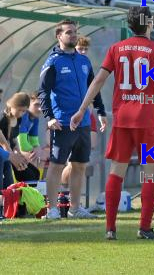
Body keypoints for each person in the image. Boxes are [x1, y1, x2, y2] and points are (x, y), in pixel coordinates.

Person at [70, 7, 154, 240]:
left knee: (116, 172)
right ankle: (145, 227)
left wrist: (82, 109)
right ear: (149, 23)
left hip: (123, 119)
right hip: (148, 120)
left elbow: (99, 80)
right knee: (150, 173)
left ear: (129, 25)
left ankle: (110, 228)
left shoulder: (116, 48)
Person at [38, 20, 107, 220]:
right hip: (62, 122)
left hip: (84, 123)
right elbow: (43, 92)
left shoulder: (84, 61)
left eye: (75, 32)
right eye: (69, 32)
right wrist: (49, 118)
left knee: (79, 165)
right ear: (59, 36)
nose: (73, 35)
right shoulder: (52, 62)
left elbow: (94, 89)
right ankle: (52, 209)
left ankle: (75, 209)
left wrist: (100, 111)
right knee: (57, 166)